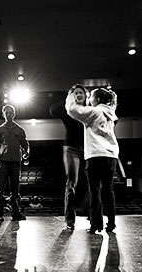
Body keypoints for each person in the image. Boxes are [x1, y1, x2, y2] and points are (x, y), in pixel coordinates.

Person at [66, 87, 119, 233]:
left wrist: (71, 96)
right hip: (111, 155)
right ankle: (111, 223)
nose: (89, 99)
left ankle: (96, 225)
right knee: (108, 190)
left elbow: (72, 110)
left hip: (95, 155)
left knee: (94, 190)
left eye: (91, 97)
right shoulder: (111, 112)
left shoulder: (95, 112)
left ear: (98, 99)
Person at [49, 84, 89, 231]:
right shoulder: (69, 112)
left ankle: (92, 217)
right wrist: (68, 97)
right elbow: (53, 110)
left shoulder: (88, 112)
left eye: (81, 93)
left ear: (86, 96)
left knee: (91, 184)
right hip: (71, 150)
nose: (79, 95)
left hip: (88, 150)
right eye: (76, 93)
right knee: (72, 184)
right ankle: (70, 220)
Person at [0, 104, 29, 222]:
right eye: (6, 112)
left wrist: (26, 152)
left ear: (14, 114)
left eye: (10, 112)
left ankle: (16, 214)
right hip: (2, 163)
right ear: (3, 114)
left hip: (16, 163)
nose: (8, 114)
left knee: (15, 191)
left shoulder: (20, 130)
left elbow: (25, 144)